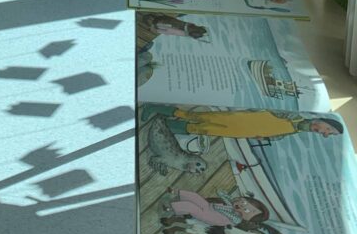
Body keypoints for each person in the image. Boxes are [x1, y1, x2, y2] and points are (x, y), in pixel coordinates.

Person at [140, 104, 343, 140]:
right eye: (328, 129)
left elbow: (277, 134)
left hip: (242, 132)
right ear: (320, 119)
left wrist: (264, 137)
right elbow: (269, 110)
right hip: (243, 119)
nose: (324, 133)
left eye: (328, 134)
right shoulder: (295, 116)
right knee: (198, 117)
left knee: (202, 130)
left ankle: (165, 126)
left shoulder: (296, 130)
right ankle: (156, 108)